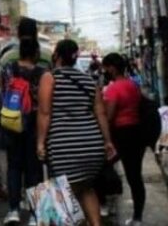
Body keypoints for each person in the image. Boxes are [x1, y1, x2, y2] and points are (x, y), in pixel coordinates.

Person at [37, 40, 116, 226]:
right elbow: (100, 113)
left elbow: (44, 113)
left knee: (62, 195)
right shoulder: (88, 80)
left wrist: (40, 142)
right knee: (87, 189)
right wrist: (107, 141)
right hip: (92, 146)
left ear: (56, 56)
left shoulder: (49, 78)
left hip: (64, 146)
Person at [2, 37, 46, 226]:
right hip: (34, 123)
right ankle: (35, 217)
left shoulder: (9, 68)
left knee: (14, 167)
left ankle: (13, 210)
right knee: (33, 169)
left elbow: (1, 91)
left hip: (12, 121)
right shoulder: (42, 72)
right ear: (35, 52)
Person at [102, 53, 145, 226]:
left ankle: (106, 201)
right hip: (136, 132)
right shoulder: (133, 85)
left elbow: (110, 116)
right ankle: (137, 217)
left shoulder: (113, 89)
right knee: (135, 176)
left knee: (102, 165)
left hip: (120, 133)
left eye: (105, 68)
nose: (104, 71)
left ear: (111, 68)